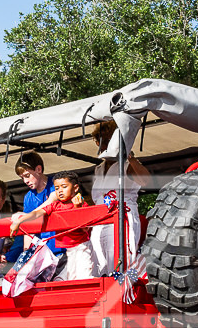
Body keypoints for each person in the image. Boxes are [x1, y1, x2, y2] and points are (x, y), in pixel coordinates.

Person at [10, 171, 98, 281]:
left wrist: (77, 207)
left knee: (84, 275)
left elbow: (85, 228)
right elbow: (36, 213)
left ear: (75, 188)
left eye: (64, 187)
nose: (60, 190)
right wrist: (19, 221)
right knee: (72, 277)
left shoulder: (82, 204)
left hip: (81, 246)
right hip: (68, 250)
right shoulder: (55, 205)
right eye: (56, 188)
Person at [88, 119, 149, 273]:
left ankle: (122, 293)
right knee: (98, 264)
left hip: (122, 219)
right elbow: (96, 198)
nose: (102, 145)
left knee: (118, 264)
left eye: (107, 140)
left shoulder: (127, 164)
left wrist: (131, 158)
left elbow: (146, 181)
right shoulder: (98, 169)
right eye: (99, 141)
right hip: (99, 222)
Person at [14, 152, 57, 253]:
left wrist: (23, 217)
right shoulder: (28, 197)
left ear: (38, 169)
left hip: (62, 246)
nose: (25, 181)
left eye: (27, 175)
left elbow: (50, 203)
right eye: (22, 178)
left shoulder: (56, 184)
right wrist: (26, 252)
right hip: (43, 251)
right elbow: (28, 228)